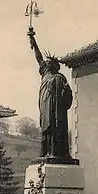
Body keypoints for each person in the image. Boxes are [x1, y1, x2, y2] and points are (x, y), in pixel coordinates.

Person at [27, 27, 73, 159]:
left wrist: (65, 92)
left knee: (58, 131)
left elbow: (68, 98)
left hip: (58, 112)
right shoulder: (46, 73)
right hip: (46, 108)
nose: (46, 64)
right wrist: (33, 40)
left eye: (48, 63)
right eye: (46, 63)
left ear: (54, 65)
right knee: (46, 130)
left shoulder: (60, 78)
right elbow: (38, 57)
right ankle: (45, 152)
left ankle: (59, 154)